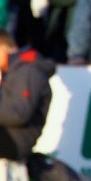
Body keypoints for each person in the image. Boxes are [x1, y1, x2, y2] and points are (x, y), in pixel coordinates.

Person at [0, 30, 55, 162]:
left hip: (15, 141)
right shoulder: (14, 71)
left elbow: (19, 114)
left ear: (3, 48)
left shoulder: (28, 71)